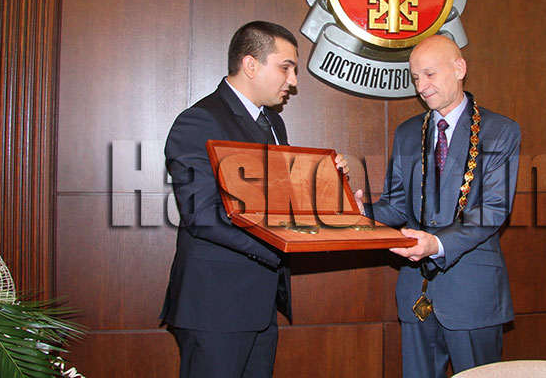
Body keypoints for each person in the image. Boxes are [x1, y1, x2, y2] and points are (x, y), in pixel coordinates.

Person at [161, 21, 346, 378]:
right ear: (250, 65)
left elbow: (280, 200)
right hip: (216, 308)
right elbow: (202, 214)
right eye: (285, 67)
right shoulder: (199, 121)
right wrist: (279, 245)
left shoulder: (274, 124)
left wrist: (328, 187)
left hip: (260, 306)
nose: (293, 80)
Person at [355, 34, 521, 376]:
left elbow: (493, 209)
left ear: (459, 68)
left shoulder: (500, 131)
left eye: (429, 74)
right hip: (416, 290)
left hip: (471, 294)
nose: (421, 87)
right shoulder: (407, 132)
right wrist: (361, 213)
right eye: (416, 77)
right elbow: (396, 206)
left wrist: (437, 244)